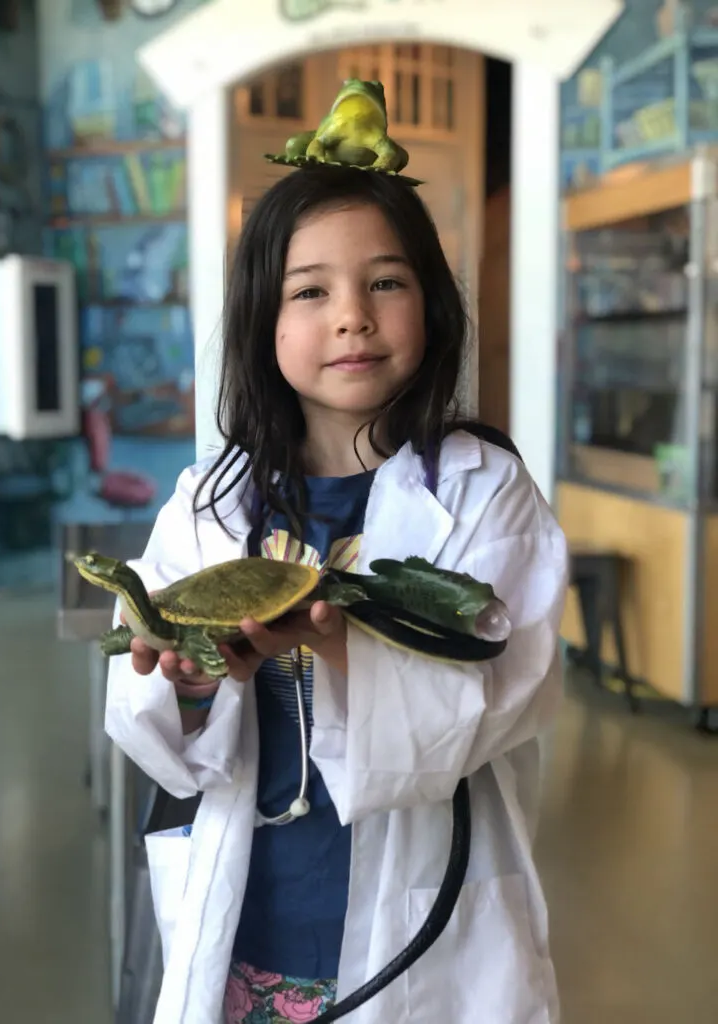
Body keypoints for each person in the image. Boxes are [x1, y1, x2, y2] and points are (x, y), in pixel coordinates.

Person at [105, 158, 569, 1024]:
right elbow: (148, 715)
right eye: (309, 292)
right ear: (262, 324)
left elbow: (514, 689)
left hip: (430, 924)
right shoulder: (207, 501)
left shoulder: (484, 490)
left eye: (385, 281)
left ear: (432, 303)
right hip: (258, 922)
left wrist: (339, 643)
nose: (352, 315)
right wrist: (192, 683)